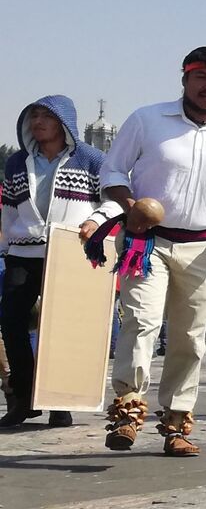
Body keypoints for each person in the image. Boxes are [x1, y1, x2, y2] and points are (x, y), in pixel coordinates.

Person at [90, 46, 206, 457]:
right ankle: (127, 413)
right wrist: (129, 206)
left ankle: (175, 423)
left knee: (189, 339)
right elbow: (112, 170)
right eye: (202, 77)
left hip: (204, 248)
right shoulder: (147, 120)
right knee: (141, 325)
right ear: (185, 79)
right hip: (148, 243)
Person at [1, 95, 109, 428]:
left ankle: (60, 403)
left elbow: (114, 200)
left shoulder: (91, 159)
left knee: (64, 328)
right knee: (12, 321)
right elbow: (8, 207)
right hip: (23, 251)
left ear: (64, 122)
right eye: (33, 116)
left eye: (45, 116)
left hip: (69, 250)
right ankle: (24, 397)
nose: (38, 123)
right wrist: (7, 242)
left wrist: (97, 220)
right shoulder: (17, 162)